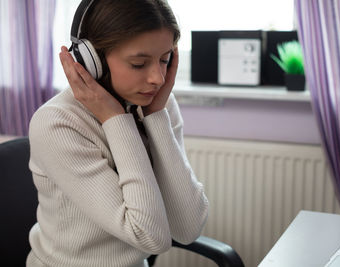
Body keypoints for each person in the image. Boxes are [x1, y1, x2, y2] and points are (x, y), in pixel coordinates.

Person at [26, 0, 209, 266]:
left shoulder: (157, 105)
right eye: (138, 63)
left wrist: (156, 118)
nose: (158, 78)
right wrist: (116, 119)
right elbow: (150, 237)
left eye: (164, 60)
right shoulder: (57, 124)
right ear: (92, 62)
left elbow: (188, 227)